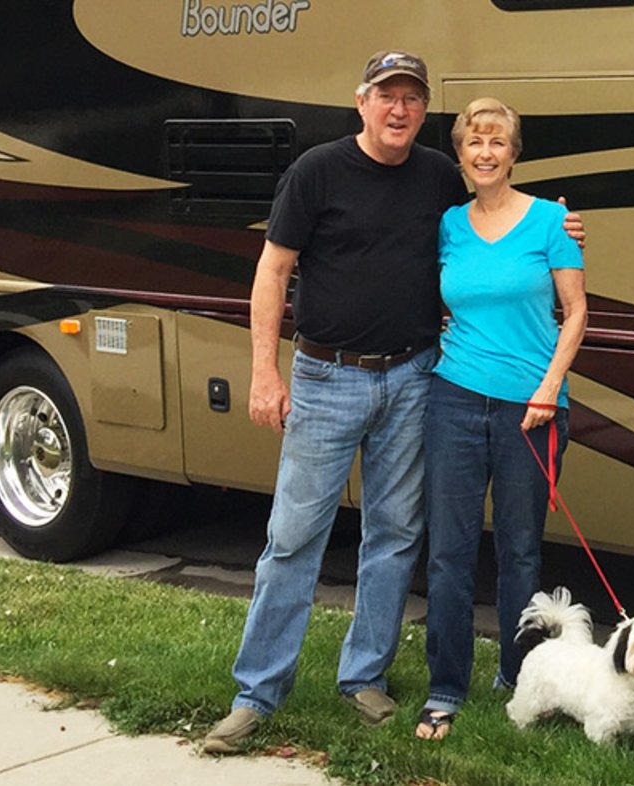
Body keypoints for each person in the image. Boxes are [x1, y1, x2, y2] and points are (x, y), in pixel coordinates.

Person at [205, 54, 583, 754]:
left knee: (393, 538)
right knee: (293, 539)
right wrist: (264, 369)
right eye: (387, 96)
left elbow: (493, 218)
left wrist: (563, 227)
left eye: (412, 98)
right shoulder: (316, 171)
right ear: (361, 102)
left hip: (414, 378)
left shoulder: (439, 174)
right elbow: (273, 270)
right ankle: (256, 694)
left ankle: (364, 678)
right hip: (326, 377)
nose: (399, 109)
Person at [415, 98, 588, 740]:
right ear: (459, 155)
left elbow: (576, 313)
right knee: (449, 554)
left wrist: (548, 391)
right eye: (473, 142)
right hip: (453, 400)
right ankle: (445, 688)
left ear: (515, 154)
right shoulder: (449, 226)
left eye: (497, 142)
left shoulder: (552, 222)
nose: (485, 152)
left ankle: (520, 680)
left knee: (519, 554)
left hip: (532, 408)